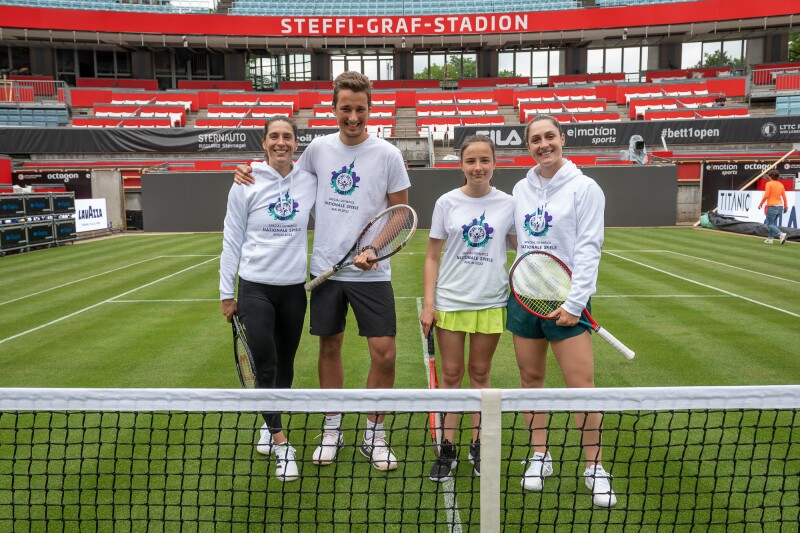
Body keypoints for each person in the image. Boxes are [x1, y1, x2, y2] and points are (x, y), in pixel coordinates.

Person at [233, 71, 411, 472]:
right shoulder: (315, 150)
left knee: (384, 354)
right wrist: (245, 172)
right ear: (334, 108)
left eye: (359, 109)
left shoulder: (388, 154)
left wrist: (374, 248)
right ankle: (333, 429)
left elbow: (400, 215)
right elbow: (281, 176)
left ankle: (374, 435)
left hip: (371, 274)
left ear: (370, 109)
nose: (353, 116)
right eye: (345, 108)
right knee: (328, 348)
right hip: (327, 272)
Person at [509, 114, 617, 507]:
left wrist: (574, 304)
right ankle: (540, 455)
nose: (543, 144)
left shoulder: (586, 188)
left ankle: (594, 467)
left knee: (581, 387)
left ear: (562, 139)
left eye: (549, 136)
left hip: (567, 302)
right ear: (529, 146)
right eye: (535, 139)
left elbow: (590, 248)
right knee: (530, 380)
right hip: (525, 298)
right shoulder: (520, 188)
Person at [219, 116, 316, 482]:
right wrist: (227, 293)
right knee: (265, 362)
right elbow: (231, 240)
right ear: (264, 143)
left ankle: (268, 419)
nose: (281, 142)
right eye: (274, 136)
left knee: (286, 365)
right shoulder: (245, 183)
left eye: (287, 137)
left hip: (294, 289)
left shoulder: (309, 180)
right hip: (255, 288)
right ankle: (281, 441)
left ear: (295, 143)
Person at [419, 135, 515, 482]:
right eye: (471, 161)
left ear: (494, 163)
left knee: (480, 375)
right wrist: (429, 304)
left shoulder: (509, 204)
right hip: (451, 302)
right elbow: (432, 256)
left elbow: (524, 247)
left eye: (484, 160)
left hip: (490, 301)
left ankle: (479, 446)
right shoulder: (447, 202)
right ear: (461, 165)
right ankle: (447, 448)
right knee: (451, 377)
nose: (478, 167)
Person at [758, 169, 788, 245]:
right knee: (772, 224)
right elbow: (784, 196)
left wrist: (761, 203)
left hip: (772, 206)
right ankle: (770, 239)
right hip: (780, 206)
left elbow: (766, 195)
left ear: (771, 176)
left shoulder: (769, 184)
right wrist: (786, 205)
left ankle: (781, 234)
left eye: (769, 176)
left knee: (769, 224)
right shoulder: (781, 185)